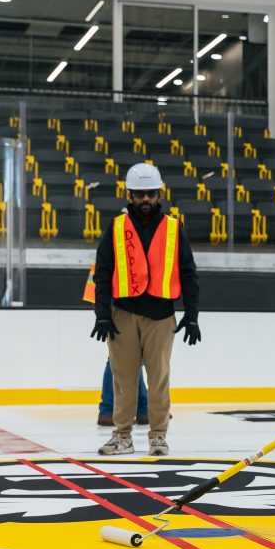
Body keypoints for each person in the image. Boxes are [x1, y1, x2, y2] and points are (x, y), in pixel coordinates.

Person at [90, 163, 200, 456]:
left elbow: (189, 273)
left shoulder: (175, 229)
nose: (146, 200)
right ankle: (122, 436)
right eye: (140, 194)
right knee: (123, 379)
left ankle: (158, 436)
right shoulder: (115, 228)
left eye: (150, 193)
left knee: (159, 378)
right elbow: (102, 273)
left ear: (159, 193)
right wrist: (102, 314)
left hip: (162, 316)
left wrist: (192, 315)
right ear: (129, 195)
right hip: (122, 314)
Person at [82, 263, 148, 427]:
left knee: (131, 356)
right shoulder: (119, 240)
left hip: (109, 300)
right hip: (115, 302)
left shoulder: (113, 240)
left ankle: (143, 408)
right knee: (117, 358)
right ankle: (108, 410)